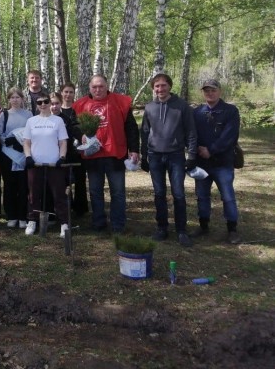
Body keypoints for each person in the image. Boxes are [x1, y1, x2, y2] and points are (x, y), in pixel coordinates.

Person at [72, 75, 139, 233]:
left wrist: (134, 149)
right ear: (89, 88)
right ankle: (98, 222)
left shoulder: (120, 102)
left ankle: (118, 224)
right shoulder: (80, 105)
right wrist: (80, 134)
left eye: (101, 86)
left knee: (118, 192)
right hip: (93, 156)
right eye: (94, 87)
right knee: (95, 191)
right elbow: (74, 126)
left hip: (115, 154)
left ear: (107, 86)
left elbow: (131, 128)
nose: (98, 89)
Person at [140, 74, 197, 247]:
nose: (160, 89)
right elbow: (144, 132)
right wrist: (144, 156)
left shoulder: (181, 106)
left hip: (176, 156)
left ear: (170, 86)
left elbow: (191, 132)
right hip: (155, 156)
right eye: (157, 86)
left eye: (163, 85)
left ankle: (181, 230)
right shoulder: (149, 108)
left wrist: (192, 156)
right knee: (159, 193)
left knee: (178, 193)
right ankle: (162, 228)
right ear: (153, 88)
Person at [191, 79, 242, 244]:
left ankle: (232, 229)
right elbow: (191, 133)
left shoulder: (230, 111)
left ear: (219, 91)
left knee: (227, 196)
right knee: (202, 196)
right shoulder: (197, 112)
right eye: (206, 90)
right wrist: (198, 148)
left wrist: (211, 150)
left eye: (213, 90)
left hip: (223, 163)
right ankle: (204, 225)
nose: (210, 93)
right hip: (202, 163)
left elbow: (230, 136)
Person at [22, 95, 70, 237]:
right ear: (36, 105)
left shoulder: (58, 120)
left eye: (46, 101)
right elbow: (26, 142)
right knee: (33, 194)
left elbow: (63, 142)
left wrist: (62, 157)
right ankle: (32, 221)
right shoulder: (31, 121)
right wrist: (28, 156)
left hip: (54, 164)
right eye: (39, 102)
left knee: (59, 194)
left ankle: (64, 223)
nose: (43, 104)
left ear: (50, 103)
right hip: (35, 164)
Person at [0, 87, 31, 229]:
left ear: (22, 99)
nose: (15, 100)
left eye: (18, 97)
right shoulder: (4, 115)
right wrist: (8, 141)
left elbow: (32, 132)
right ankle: (12, 215)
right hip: (8, 154)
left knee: (23, 186)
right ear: (9, 99)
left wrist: (21, 144)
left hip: (24, 153)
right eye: (12, 97)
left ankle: (23, 216)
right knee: (10, 185)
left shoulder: (28, 114)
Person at [60, 82, 89, 216]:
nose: (68, 95)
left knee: (80, 179)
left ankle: (80, 208)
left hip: (78, 150)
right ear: (61, 93)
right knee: (64, 180)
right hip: (62, 150)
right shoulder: (56, 109)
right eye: (66, 92)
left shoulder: (79, 109)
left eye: (71, 92)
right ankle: (67, 205)